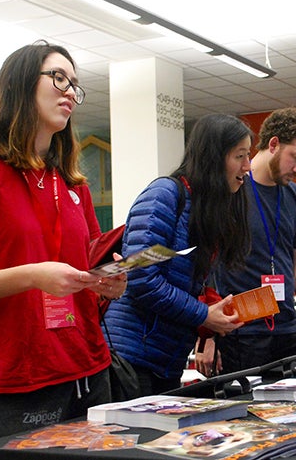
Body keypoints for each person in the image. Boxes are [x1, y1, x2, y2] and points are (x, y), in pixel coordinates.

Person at [0, 40, 127, 454]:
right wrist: (33, 276)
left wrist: (106, 283)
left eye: (75, 84)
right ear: (20, 84)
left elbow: (84, 269)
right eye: (59, 78)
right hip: (16, 377)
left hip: (88, 369)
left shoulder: (73, 183)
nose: (70, 91)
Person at [103, 113, 252, 395]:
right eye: (240, 156)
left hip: (165, 361)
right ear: (213, 158)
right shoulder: (164, 196)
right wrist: (203, 315)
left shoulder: (202, 209)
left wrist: (210, 320)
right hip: (131, 360)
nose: (248, 166)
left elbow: (178, 283)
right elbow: (141, 278)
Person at [197, 108, 296, 376]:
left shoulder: (293, 196)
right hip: (238, 333)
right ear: (274, 144)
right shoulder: (231, 189)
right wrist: (207, 337)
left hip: (286, 329)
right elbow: (203, 268)